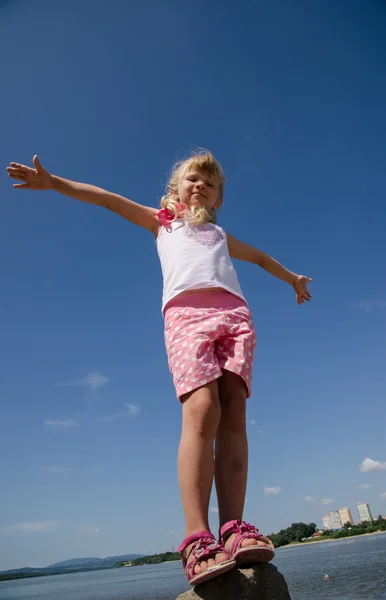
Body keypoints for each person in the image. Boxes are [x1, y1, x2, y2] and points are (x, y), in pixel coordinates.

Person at [7, 151, 312, 586]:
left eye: (209, 182)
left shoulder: (221, 235)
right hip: (186, 316)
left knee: (234, 411)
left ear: (219, 198)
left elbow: (261, 258)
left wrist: (293, 279)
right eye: (192, 178)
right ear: (176, 189)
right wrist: (55, 183)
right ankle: (196, 536)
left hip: (235, 317)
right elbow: (109, 199)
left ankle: (233, 529)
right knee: (202, 409)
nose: (200, 185)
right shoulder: (163, 223)